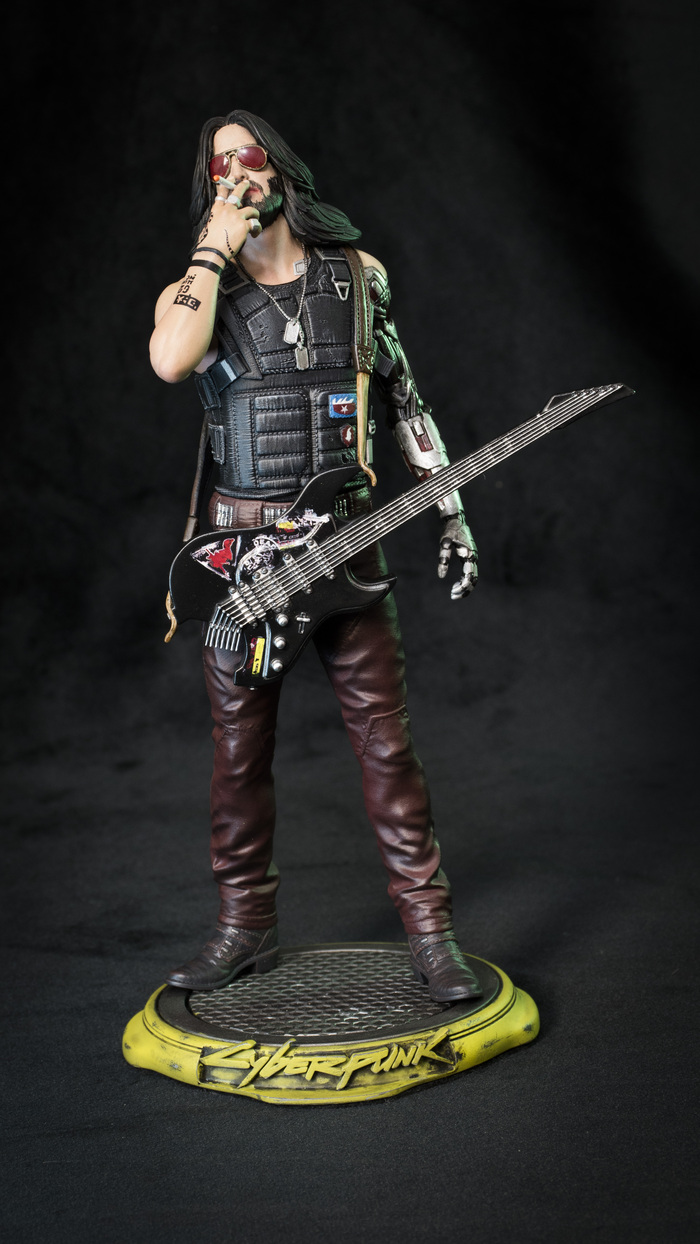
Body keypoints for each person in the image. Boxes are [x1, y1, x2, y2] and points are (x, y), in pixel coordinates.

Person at [149, 110, 481, 1003]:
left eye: (249, 157)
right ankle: (244, 929)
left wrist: (450, 510)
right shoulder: (196, 293)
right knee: (237, 756)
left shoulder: (359, 278)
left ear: (281, 168)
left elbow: (406, 400)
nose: (236, 174)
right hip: (245, 564)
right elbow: (170, 361)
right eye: (219, 166)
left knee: (387, 746)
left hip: (347, 546)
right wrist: (212, 250)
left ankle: (431, 933)